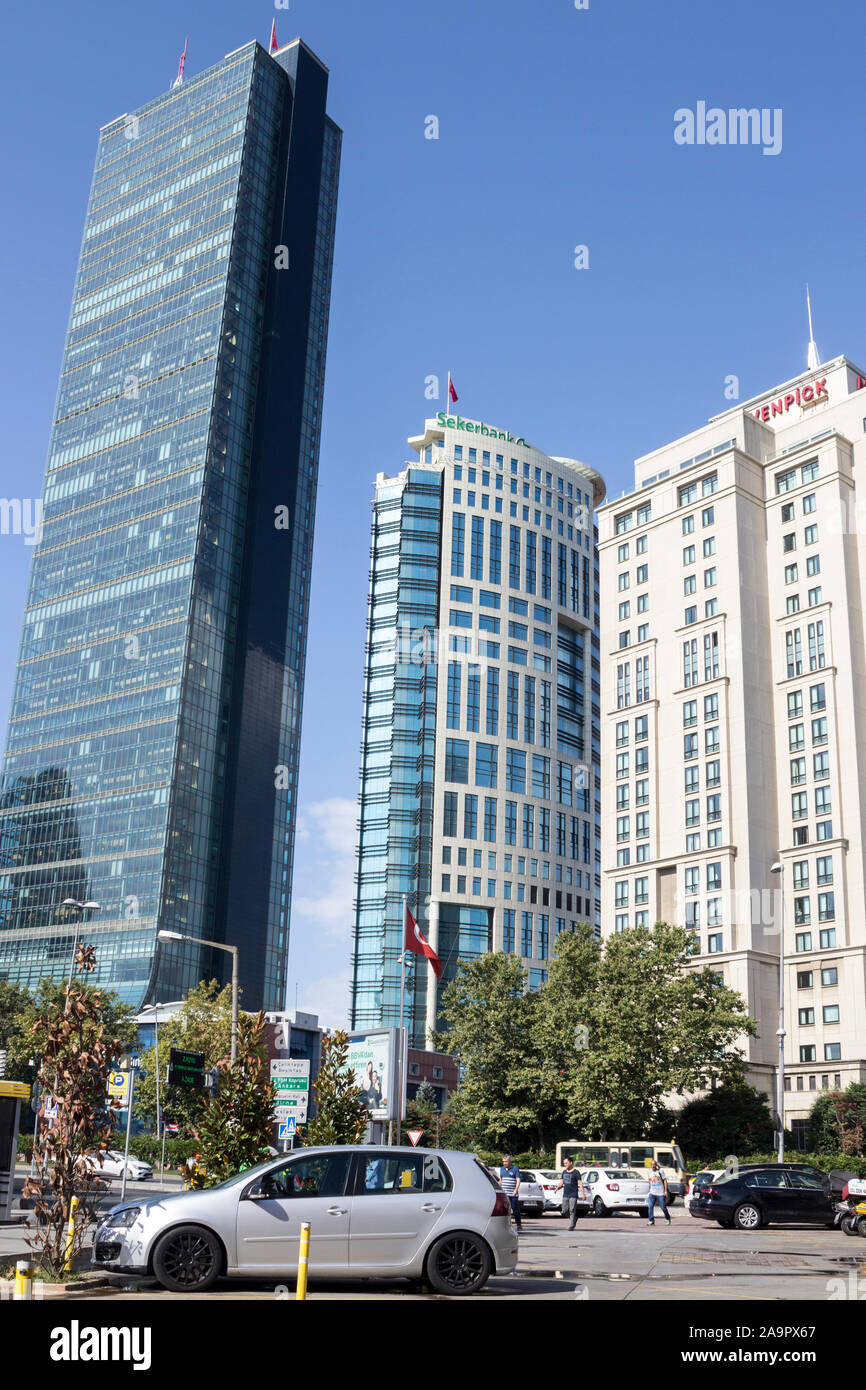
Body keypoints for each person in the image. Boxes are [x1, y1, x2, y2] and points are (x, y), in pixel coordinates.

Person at [555, 1156, 587, 1229]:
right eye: (564, 1163)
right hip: (565, 1194)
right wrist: (557, 1188)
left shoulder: (576, 1172)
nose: (565, 1165)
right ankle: (574, 1219)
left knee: (572, 1210)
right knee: (564, 1210)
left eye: (566, 1163)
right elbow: (562, 1182)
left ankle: (571, 1225)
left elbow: (580, 1184)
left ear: (571, 1163)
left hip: (573, 1194)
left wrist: (583, 1194)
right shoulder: (564, 1172)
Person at [499, 1154, 522, 1232]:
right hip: (504, 1194)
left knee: (515, 1209)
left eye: (506, 1161)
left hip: (513, 1194)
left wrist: (516, 1190)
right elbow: (501, 1180)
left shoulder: (515, 1169)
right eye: (503, 1162)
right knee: (504, 1210)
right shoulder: (502, 1169)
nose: (504, 1163)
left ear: (510, 1161)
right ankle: (505, 1225)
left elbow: (518, 1180)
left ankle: (519, 1224)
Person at [647, 1159, 671, 1226]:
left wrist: (665, 1191)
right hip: (652, 1193)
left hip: (660, 1193)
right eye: (652, 1164)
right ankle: (651, 1220)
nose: (653, 1166)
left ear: (656, 1165)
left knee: (663, 1207)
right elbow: (649, 1180)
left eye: (654, 1164)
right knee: (650, 1206)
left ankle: (668, 1218)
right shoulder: (649, 1172)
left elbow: (665, 1181)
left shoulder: (660, 1171)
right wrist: (650, 1189)